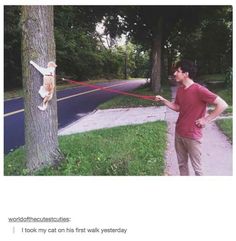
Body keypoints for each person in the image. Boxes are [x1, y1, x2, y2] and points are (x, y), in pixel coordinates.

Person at [155, 59, 228, 176]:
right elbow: (177, 107)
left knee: (197, 170)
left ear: (186, 74)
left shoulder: (199, 90)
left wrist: (206, 119)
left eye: (178, 71)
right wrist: (163, 100)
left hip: (193, 136)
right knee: (182, 165)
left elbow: (223, 104)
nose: (174, 74)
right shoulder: (180, 90)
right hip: (179, 133)